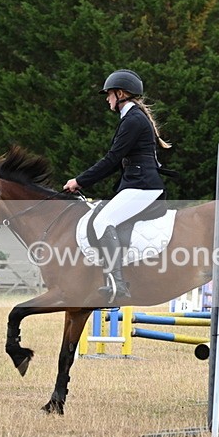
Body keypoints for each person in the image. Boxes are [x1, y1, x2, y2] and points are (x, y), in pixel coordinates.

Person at [63, 69, 171, 301]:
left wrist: (79, 181)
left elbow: (111, 159)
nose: (107, 99)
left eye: (109, 94)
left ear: (120, 94)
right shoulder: (134, 119)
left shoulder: (133, 120)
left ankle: (117, 284)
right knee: (104, 215)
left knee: (103, 220)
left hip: (142, 187)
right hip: (139, 184)